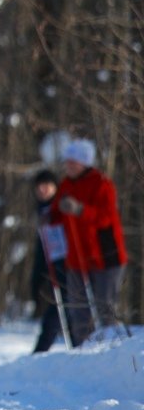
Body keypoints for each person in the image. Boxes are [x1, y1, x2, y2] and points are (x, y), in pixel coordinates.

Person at [49, 139, 128, 347]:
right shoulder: (65, 185)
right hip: (76, 257)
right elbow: (57, 214)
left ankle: (111, 347)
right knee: (79, 309)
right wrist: (48, 217)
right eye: (67, 163)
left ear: (85, 163)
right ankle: (82, 348)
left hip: (105, 256)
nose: (69, 167)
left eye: (73, 163)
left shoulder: (102, 184)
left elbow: (107, 217)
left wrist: (80, 210)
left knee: (105, 306)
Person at [29, 169, 70, 353]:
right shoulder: (41, 210)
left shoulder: (60, 207)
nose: (43, 190)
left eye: (47, 186)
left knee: (65, 312)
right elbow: (41, 249)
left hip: (69, 266)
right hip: (54, 266)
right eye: (39, 187)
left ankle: (41, 351)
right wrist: (37, 279)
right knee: (58, 311)